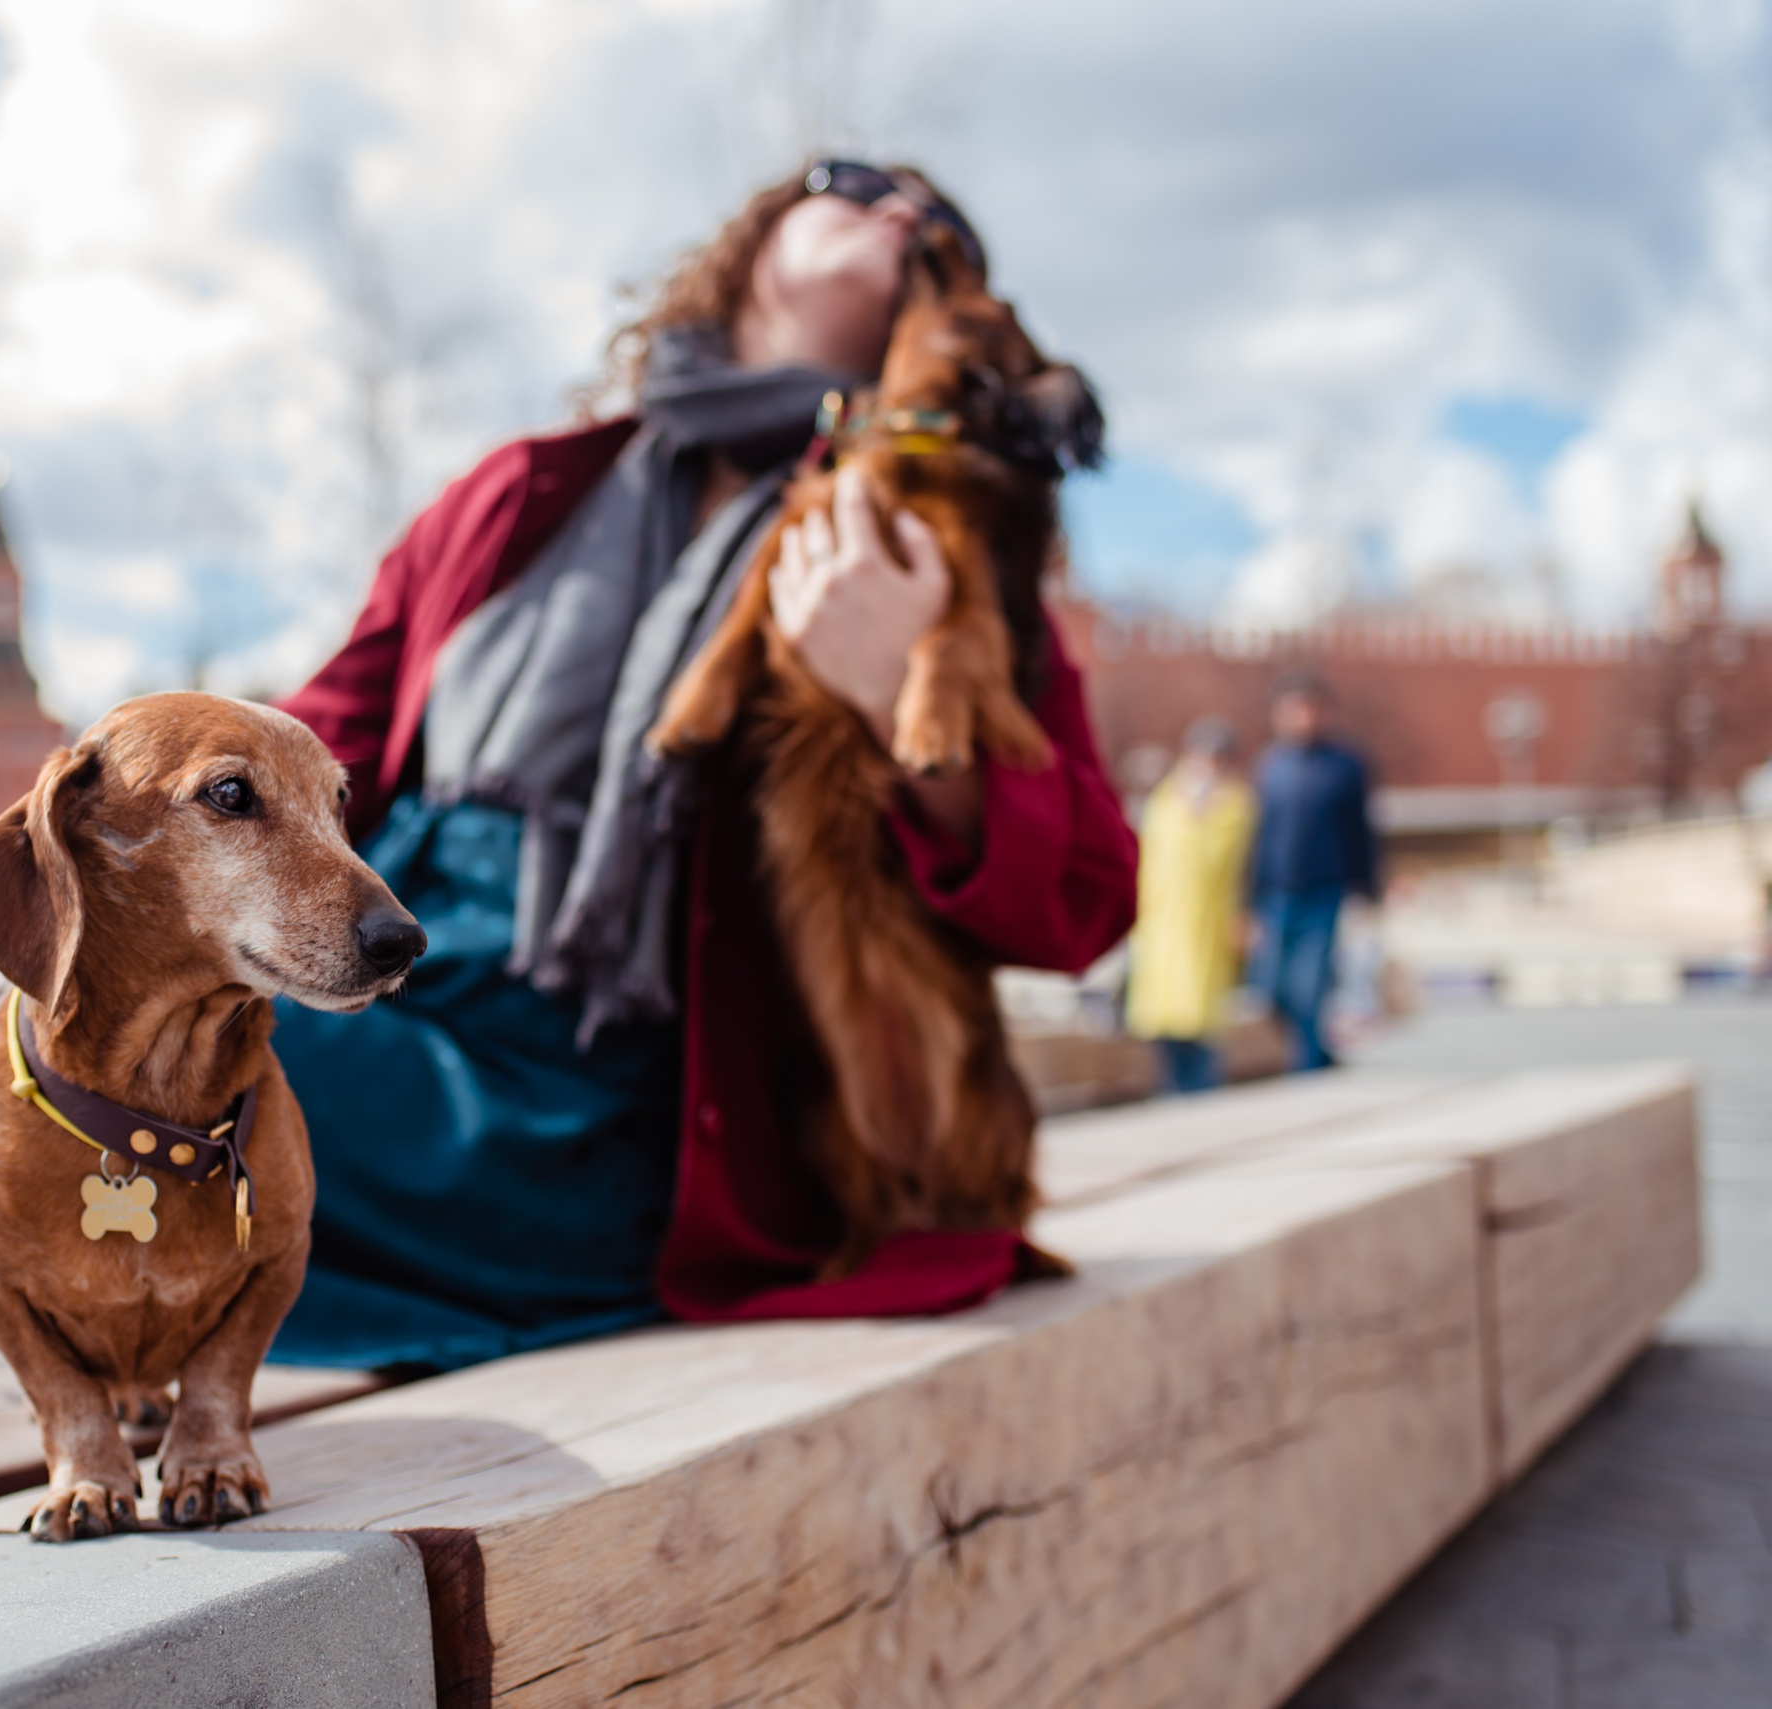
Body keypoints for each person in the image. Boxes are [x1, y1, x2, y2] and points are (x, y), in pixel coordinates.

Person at [256, 160, 1138, 1373]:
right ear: (753, 238)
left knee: (124, 1084)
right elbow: (305, 753)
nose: (903, 215)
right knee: (60, 1038)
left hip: (634, 1113)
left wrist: (890, 698)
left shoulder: (938, 527)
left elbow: (1084, 896)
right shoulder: (522, 492)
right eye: (857, 183)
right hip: (401, 979)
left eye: (941, 232)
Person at [1247, 673, 1378, 1072]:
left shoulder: (1345, 766)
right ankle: (1316, 1054)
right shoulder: (1269, 765)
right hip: (1274, 894)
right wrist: (1246, 902)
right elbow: (1256, 838)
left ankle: (1306, 1071)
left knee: (1310, 988)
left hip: (1323, 890)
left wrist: (1367, 890)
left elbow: (1362, 831)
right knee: (1267, 989)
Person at [1125, 718, 1255, 1094]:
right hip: (1162, 922)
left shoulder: (1233, 804)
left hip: (1205, 922)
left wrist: (1200, 814)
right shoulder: (1166, 799)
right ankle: (1172, 1087)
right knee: (1162, 1018)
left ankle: (1199, 1091)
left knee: (1200, 1019)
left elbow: (1220, 859)